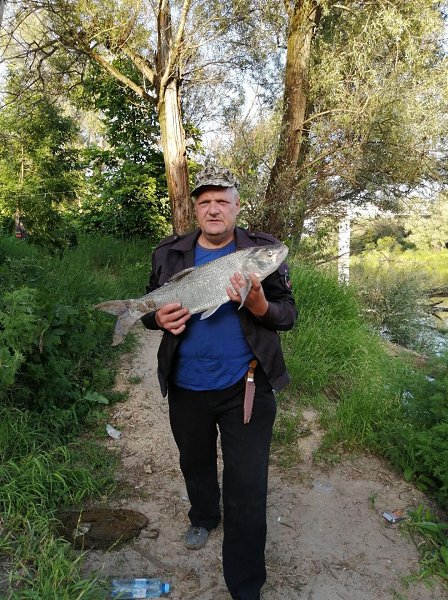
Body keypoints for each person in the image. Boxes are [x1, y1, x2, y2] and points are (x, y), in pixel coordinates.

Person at [141, 165, 297, 600]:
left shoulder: (261, 252)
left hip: (246, 386)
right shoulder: (168, 253)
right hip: (186, 385)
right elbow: (151, 306)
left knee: (247, 487)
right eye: (205, 201)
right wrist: (156, 319)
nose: (214, 209)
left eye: (222, 201)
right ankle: (205, 516)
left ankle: (245, 587)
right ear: (194, 209)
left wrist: (260, 306)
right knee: (195, 463)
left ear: (236, 207)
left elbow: (288, 314)